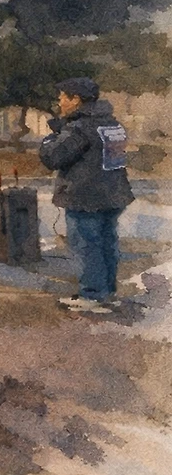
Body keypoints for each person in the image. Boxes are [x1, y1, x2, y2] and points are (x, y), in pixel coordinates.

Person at [39, 77, 135, 313]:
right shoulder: (111, 123)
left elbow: (53, 157)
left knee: (86, 245)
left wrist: (52, 136)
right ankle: (107, 292)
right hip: (113, 194)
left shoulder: (80, 128)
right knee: (107, 243)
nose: (59, 101)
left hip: (85, 197)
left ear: (76, 100)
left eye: (63, 97)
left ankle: (92, 295)